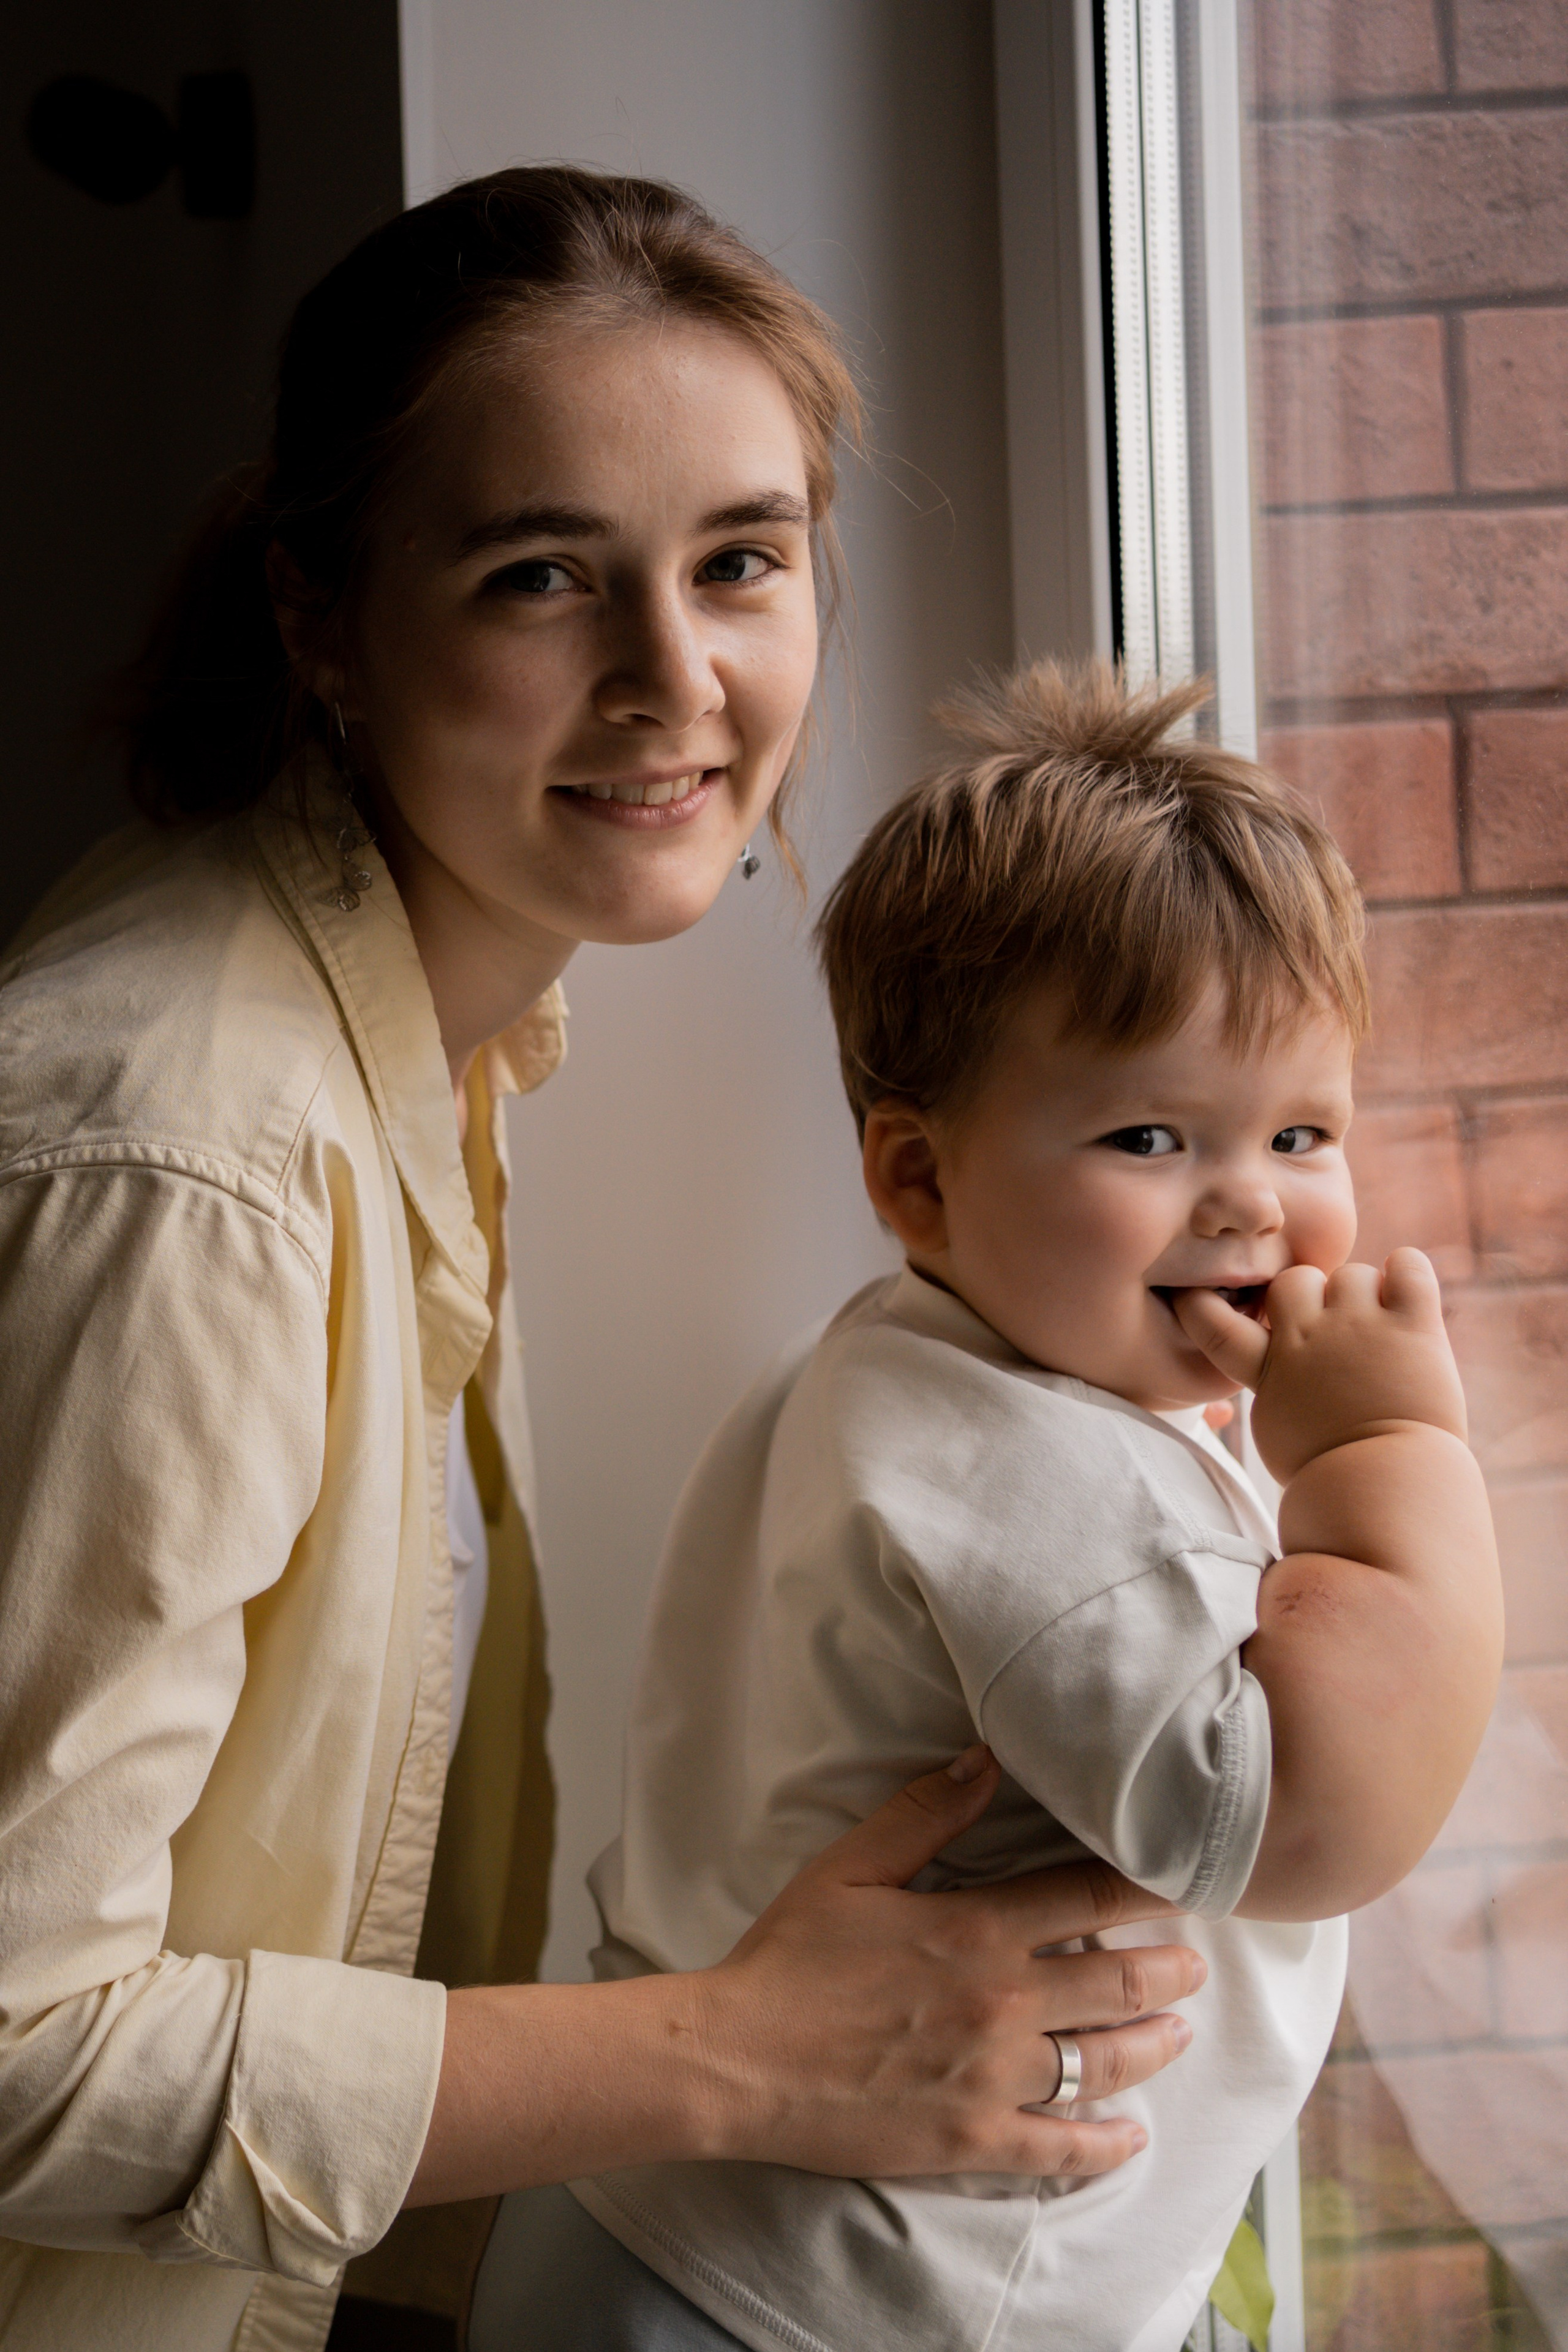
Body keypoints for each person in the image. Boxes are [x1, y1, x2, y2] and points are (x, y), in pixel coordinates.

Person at [0, 175, 1208, 2352]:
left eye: (741, 560)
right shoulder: (194, 1157)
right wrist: (742, 2048)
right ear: (323, 620)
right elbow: (16, 2043)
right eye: (542, 574)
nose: (676, 680)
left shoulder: (437, 1031)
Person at [491, 662, 1506, 2352]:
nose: (1251, 1198)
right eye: (1151, 1134)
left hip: (711, 2244)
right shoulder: (1040, 1481)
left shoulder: (908, 1381)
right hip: (858, 2304)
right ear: (920, 1177)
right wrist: (1393, 1454)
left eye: (1305, 1127)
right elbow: (1318, 1825)